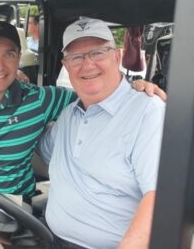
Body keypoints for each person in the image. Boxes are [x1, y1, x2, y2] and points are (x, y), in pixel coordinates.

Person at [0, 21, 165, 249]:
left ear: (117, 56)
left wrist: (136, 88)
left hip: (4, 198)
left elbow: (101, 90)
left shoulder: (47, 101)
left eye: (9, 54)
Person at [37, 17, 166, 249]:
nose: (87, 65)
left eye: (98, 53)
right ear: (66, 66)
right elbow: (41, 151)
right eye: (76, 57)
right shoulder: (69, 115)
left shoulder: (149, 111)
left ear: (117, 56)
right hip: (51, 239)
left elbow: (158, 196)